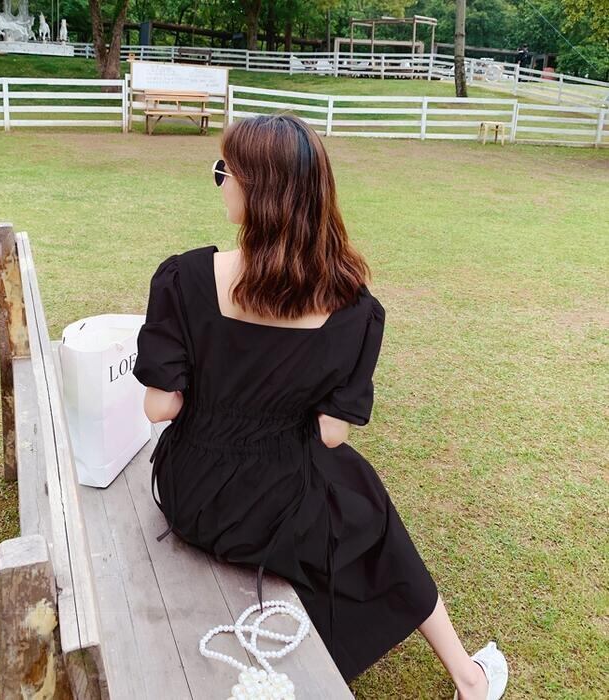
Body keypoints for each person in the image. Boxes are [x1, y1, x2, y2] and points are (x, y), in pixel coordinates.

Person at [132, 114, 509, 700]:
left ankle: (460, 674)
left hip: (193, 498)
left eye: (224, 171)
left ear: (257, 191)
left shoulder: (183, 278)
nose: (220, 181)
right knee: (365, 502)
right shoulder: (354, 307)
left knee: (351, 498)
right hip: (281, 511)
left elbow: (160, 408)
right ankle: (468, 676)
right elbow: (332, 434)